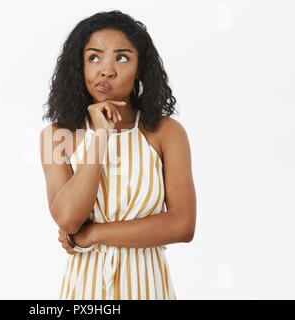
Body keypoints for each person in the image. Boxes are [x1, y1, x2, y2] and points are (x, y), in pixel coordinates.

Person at [40, 10, 196, 300]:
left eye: (121, 58)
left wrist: (93, 235)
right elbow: (69, 220)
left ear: (140, 67)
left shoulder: (166, 133)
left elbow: (182, 225)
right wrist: (100, 136)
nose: (106, 70)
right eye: (94, 57)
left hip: (150, 289)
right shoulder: (56, 136)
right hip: (84, 293)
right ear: (80, 66)